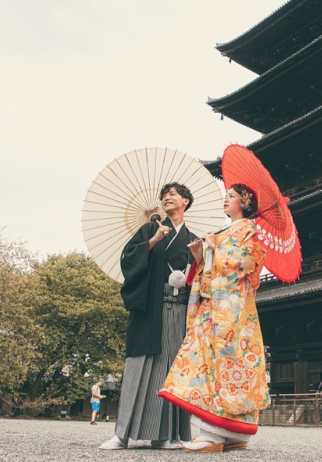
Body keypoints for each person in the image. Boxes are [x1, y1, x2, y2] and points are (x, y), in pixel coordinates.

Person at [159, 184, 268, 453]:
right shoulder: (227, 231)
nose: (226, 199)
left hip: (229, 311)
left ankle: (214, 433)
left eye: (231, 196)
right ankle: (230, 432)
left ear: (244, 202)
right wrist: (201, 256)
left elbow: (248, 261)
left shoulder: (247, 229)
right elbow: (212, 269)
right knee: (214, 361)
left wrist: (215, 249)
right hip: (215, 305)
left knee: (217, 361)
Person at [99, 183, 198, 451]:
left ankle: (165, 435)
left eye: (173, 195)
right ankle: (121, 435)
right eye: (164, 196)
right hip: (151, 308)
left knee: (171, 370)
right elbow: (128, 259)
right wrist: (153, 241)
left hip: (179, 310)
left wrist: (199, 257)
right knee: (139, 366)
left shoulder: (192, 238)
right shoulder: (148, 230)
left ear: (185, 202)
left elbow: (200, 276)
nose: (167, 198)